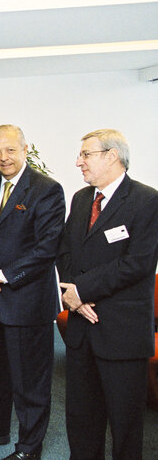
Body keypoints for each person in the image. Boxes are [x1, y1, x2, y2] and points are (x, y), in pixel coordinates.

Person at [0, 125, 65, 460]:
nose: (3, 158)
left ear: (25, 149)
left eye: (10, 150)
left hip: (27, 300)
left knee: (29, 381)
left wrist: (4, 274)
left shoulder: (47, 189)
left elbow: (46, 248)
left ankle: (30, 448)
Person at [57, 129, 158, 460]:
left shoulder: (147, 200)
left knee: (125, 425)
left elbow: (137, 264)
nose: (78, 162)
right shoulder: (82, 198)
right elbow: (66, 251)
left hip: (121, 332)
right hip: (82, 330)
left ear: (111, 156)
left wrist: (82, 291)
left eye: (86, 154)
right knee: (82, 419)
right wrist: (74, 294)